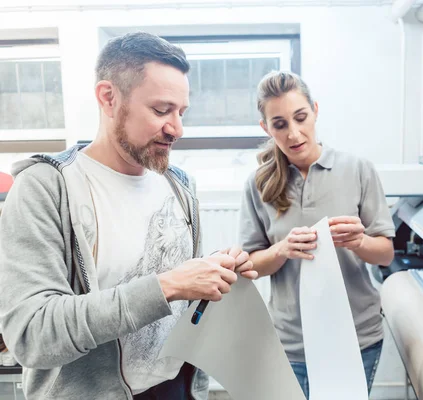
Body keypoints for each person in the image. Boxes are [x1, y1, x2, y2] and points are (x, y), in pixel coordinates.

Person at [0, 32, 257, 400]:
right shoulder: (45, 189)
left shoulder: (179, 185)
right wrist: (167, 286)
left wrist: (213, 271)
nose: (177, 129)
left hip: (178, 391)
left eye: (181, 112)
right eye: (161, 110)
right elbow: (32, 335)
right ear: (108, 97)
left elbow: (180, 297)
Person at [239, 71, 396, 398]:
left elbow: (385, 253)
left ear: (315, 110)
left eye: (300, 117)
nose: (294, 134)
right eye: (280, 124)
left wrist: (359, 242)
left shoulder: (357, 169)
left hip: (356, 338)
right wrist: (282, 249)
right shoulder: (258, 184)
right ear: (266, 128)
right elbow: (251, 266)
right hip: (291, 342)